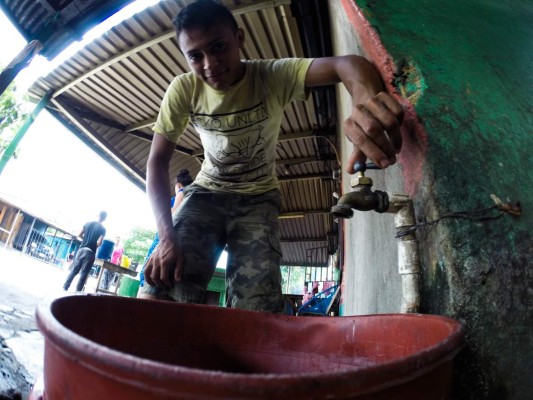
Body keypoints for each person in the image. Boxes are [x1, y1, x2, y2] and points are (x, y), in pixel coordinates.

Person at [141, 0, 404, 312]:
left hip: (258, 200)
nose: (210, 63)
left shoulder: (271, 76)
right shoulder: (183, 89)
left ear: (239, 39)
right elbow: (157, 162)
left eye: (218, 47)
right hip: (207, 193)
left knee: (259, 310)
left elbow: (347, 64)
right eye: (195, 56)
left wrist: (365, 102)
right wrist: (166, 237)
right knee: (159, 284)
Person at [138, 169, 194, 292]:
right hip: (175, 239)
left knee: (149, 277)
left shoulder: (181, 192)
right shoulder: (191, 196)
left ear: (178, 184)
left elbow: (174, 215)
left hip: (167, 237)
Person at [63, 211, 107, 292]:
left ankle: (65, 287)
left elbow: (79, 234)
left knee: (74, 270)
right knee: (84, 273)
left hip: (81, 250)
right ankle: (78, 292)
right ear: (104, 218)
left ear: (97, 215)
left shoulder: (87, 223)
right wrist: (93, 245)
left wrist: (86, 241)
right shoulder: (103, 229)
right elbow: (99, 243)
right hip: (90, 253)